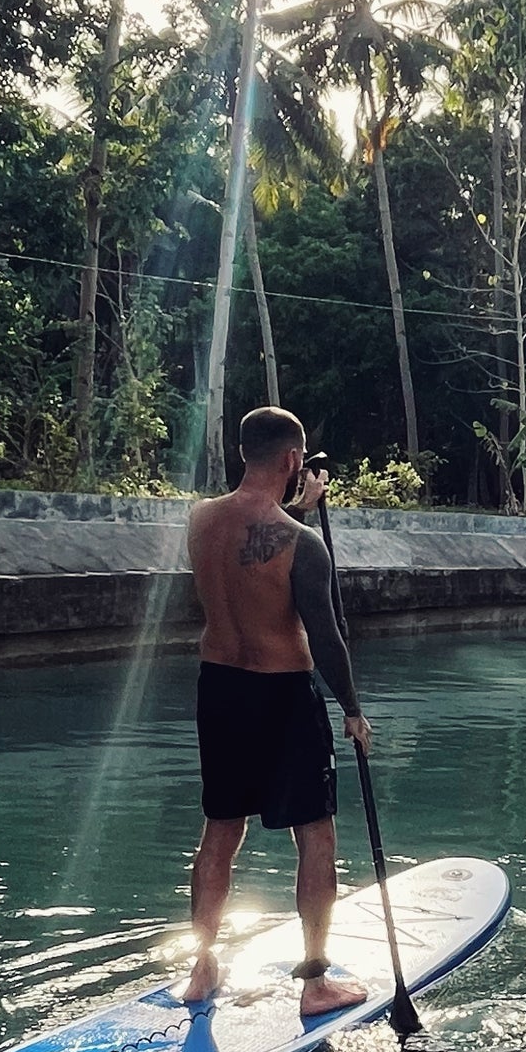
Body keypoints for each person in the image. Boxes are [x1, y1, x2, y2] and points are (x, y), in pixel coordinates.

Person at [184, 404, 372, 1018]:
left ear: (244, 452)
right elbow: (326, 637)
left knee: (221, 831)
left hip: (219, 690)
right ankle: (316, 983)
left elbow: (249, 547)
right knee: (315, 837)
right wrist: (353, 709)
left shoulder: (200, 521)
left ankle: (203, 965)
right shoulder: (304, 544)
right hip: (283, 696)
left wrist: (300, 510)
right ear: (294, 460)